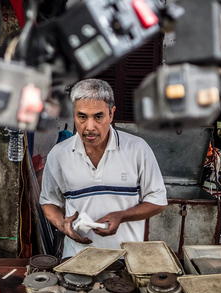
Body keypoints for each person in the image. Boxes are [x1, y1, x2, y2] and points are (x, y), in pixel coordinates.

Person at [39, 78, 168, 258]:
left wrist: (122, 216)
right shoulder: (59, 154)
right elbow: (49, 201)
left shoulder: (137, 149)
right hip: (77, 258)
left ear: (111, 114)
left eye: (98, 117)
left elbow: (158, 200)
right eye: (82, 117)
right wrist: (62, 225)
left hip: (126, 259)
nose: (89, 127)